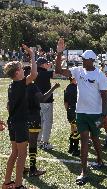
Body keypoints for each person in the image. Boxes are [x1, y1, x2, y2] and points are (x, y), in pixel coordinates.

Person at [55, 38, 107, 186]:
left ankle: (100, 159)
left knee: (96, 139)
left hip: (96, 114)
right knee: (84, 140)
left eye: (85, 59)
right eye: (82, 59)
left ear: (92, 60)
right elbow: (58, 71)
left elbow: (104, 97)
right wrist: (59, 53)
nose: (83, 61)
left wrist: (103, 116)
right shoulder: (78, 71)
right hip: (81, 113)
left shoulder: (100, 75)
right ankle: (84, 171)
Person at [2, 44, 37, 189]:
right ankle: (18, 185)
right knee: (22, 154)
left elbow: (8, 106)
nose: (24, 71)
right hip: (20, 123)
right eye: (22, 69)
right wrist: (33, 56)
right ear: (17, 73)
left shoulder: (11, 85)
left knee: (14, 153)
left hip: (13, 122)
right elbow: (34, 75)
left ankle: (6, 183)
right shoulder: (20, 84)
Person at [23, 66, 60, 177]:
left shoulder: (18, 85)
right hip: (33, 118)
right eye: (33, 73)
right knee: (33, 144)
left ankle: (22, 167)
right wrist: (53, 88)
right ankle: (33, 169)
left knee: (22, 145)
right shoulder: (33, 86)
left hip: (22, 119)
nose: (36, 74)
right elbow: (43, 99)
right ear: (31, 74)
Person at [35, 57, 56, 150]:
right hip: (46, 101)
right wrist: (58, 62)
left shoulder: (35, 73)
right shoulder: (45, 73)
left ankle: (38, 141)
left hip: (37, 101)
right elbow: (57, 73)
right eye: (46, 63)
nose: (48, 65)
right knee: (48, 122)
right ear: (43, 64)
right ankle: (45, 142)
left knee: (41, 122)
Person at [64, 77, 80, 156]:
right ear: (73, 79)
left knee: (72, 129)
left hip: (70, 111)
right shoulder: (77, 87)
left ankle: (71, 147)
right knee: (76, 130)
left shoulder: (67, 87)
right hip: (75, 111)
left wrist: (68, 110)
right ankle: (76, 149)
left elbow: (65, 102)